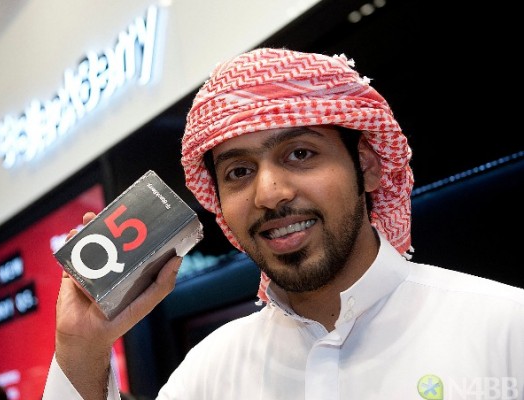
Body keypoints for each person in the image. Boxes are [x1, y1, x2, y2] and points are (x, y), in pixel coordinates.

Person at [42, 48, 524, 399]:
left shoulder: (504, 328)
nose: (269, 193)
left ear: (367, 165)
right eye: (239, 172)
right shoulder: (209, 373)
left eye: (300, 153)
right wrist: (81, 347)